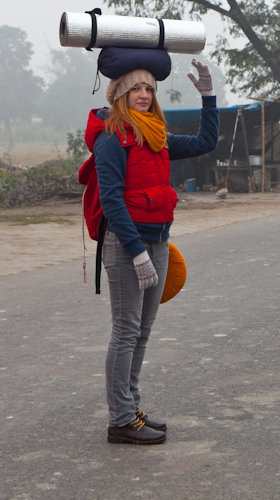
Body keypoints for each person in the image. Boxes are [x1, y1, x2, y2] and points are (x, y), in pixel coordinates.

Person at [84, 57, 219, 445]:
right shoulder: (112, 138)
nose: (144, 95)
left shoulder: (155, 135)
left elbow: (205, 143)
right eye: (135, 89)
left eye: (149, 89)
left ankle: (131, 407)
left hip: (158, 241)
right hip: (128, 246)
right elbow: (111, 200)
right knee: (125, 331)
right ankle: (120, 420)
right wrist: (136, 252)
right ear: (119, 95)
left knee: (142, 332)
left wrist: (208, 97)